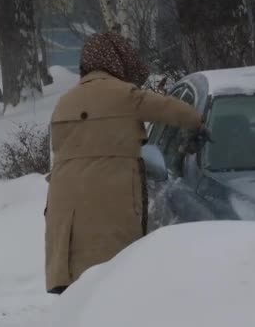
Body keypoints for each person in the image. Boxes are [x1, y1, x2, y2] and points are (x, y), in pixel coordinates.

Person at [44, 32, 204, 295]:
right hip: (109, 197)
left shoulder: (65, 102)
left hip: (63, 204)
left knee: (74, 283)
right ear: (118, 60)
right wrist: (197, 124)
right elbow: (171, 109)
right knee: (111, 278)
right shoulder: (125, 94)